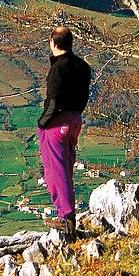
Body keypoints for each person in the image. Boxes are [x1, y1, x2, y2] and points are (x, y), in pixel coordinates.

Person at [37, 25, 92, 238]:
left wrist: (43, 124)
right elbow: (85, 96)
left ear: (53, 42)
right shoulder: (83, 66)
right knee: (66, 167)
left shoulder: (58, 69)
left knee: (55, 170)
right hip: (75, 120)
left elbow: (53, 101)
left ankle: (66, 217)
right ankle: (66, 217)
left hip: (56, 124)